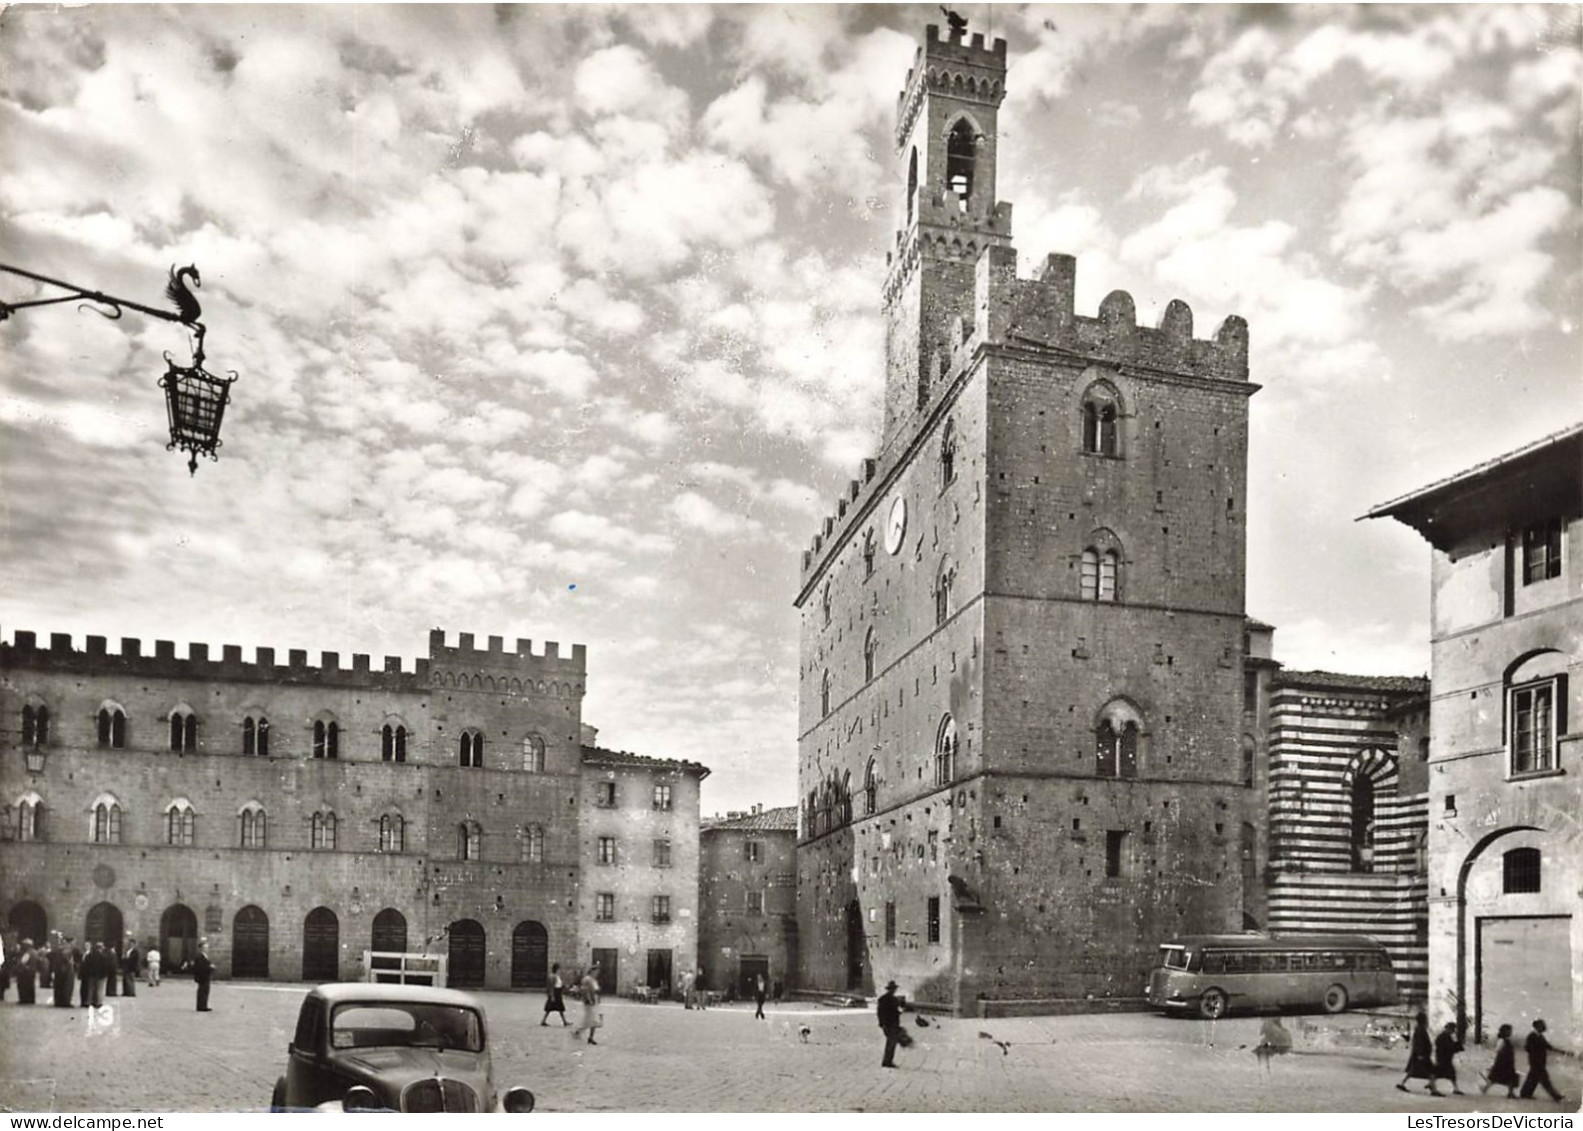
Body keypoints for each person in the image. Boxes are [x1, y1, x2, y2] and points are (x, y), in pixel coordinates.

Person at [1519, 1019, 1565, 1102]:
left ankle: (1525, 1094)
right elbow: (1527, 1048)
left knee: (1533, 1078)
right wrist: (1536, 1053)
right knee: (1544, 1079)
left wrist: (1562, 1051)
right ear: (1537, 1026)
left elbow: (1548, 1046)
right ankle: (1556, 1096)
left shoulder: (1539, 1036)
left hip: (1538, 1062)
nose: (1544, 1027)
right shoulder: (1532, 1036)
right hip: (1536, 1062)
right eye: (1542, 1025)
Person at [1397, 1010, 1435, 1093]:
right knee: (1431, 1070)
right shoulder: (1421, 1029)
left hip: (1419, 1054)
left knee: (1413, 1071)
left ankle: (1402, 1083)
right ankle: (1433, 1088)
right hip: (1422, 1054)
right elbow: (1420, 1042)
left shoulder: (1419, 1028)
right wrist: (1421, 1054)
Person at [1480, 1023, 1521, 1099]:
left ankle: (1510, 1092)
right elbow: (1498, 1051)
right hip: (1502, 1062)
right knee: (1500, 1077)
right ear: (1505, 1031)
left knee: (1503, 1078)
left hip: (1507, 1062)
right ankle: (1510, 1093)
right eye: (1509, 1031)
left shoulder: (1506, 1040)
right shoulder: (1502, 1041)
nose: (1510, 1032)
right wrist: (1494, 1062)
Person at [1432, 1021, 1465, 1095]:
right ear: (1448, 1029)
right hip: (1442, 1059)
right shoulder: (1442, 1036)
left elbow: (1451, 1046)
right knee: (1439, 1073)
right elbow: (1447, 1047)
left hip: (1446, 1059)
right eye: (1452, 1030)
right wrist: (1455, 1047)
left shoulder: (1446, 1036)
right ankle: (1432, 1084)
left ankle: (1455, 1088)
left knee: (1450, 1073)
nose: (1453, 1031)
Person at [571, 964, 600, 1045]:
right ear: (592, 971)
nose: (597, 973)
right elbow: (585, 990)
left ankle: (590, 1037)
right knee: (589, 1020)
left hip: (595, 1000)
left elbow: (596, 990)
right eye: (596, 971)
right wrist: (589, 999)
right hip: (590, 1001)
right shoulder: (587, 979)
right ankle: (577, 1031)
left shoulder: (593, 980)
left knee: (594, 1020)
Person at [878, 980, 904, 1068]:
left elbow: (879, 1013)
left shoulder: (882, 999)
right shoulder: (893, 1000)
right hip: (891, 1024)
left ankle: (887, 1060)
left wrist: (881, 1023)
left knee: (890, 1042)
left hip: (888, 1024)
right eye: (893, 989)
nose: (894, 991)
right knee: (891, 1043)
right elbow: (894, 1012)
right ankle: (887, 1061)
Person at [49, 935, 75, 1008]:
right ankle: (65, 1002)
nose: (73, 944)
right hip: (66, 972)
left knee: (59, 987)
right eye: (72, 942)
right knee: (67, 987)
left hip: (60, 972)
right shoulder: (67, 951)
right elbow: (67, 962)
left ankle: (59, 1001)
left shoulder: (60, 950)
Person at [14, 940, 38, 1004]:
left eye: (25, 945)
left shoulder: (28, 953)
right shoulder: (35, 952)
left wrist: (19, 965)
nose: (23, 946)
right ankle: (31, 999)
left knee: (23, 986)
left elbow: (22, 962)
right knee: (31, 986)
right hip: (32, 971)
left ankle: (24, 999)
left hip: (25, 972)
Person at [193, 941, 213, 1012]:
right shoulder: (200, 956)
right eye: (205, 947)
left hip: (205, 976)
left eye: (207, 947)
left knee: (205, 991)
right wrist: (210, 967)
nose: (207, 949)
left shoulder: (204, 956)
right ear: (201, 948)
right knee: (202, 991)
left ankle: (204, 1005)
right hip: (203, 977)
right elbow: (201, 967)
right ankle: (201, 1006)